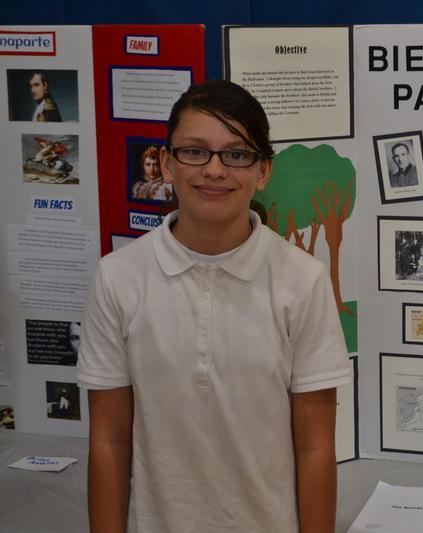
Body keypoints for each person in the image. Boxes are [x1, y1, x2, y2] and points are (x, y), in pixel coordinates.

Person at [78, 80, 352, 533]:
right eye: (195, 151)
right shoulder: (118, 277)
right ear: (167, 163)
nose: (214, 170)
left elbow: (315, 447)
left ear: (263, 171)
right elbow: (109, 440)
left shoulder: (303, 280)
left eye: (236, 154)